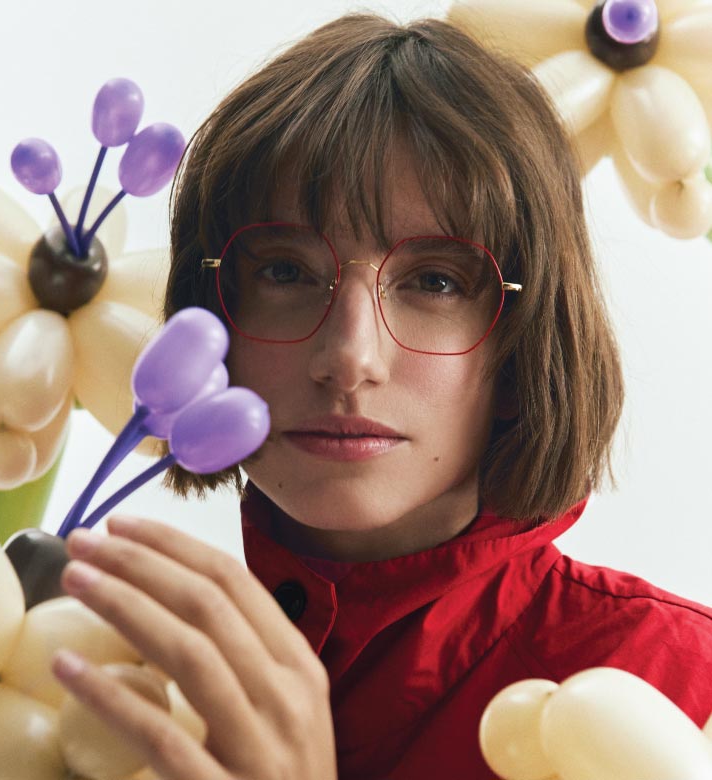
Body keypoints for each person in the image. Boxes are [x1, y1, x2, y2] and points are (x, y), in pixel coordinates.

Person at [49, 13, 712, 780]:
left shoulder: (679, 690)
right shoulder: (100, 665)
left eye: (435, 282)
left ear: (524, 345)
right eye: (286, 273)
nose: (350, 357)